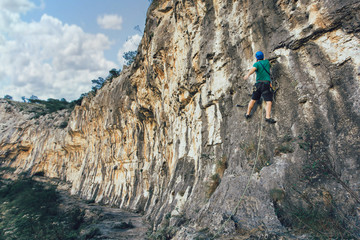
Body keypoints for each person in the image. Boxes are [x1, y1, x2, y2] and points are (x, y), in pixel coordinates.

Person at [243, 51, 276, 124]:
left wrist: (248, 74)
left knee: (253, 99)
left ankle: (247, 114)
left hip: (258, 85)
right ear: (263, 57)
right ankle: (267, 117)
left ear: (256, 58)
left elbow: (253, 69)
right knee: (269, 101)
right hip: (266, 84)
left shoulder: (256, 64)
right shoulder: (267, 62)